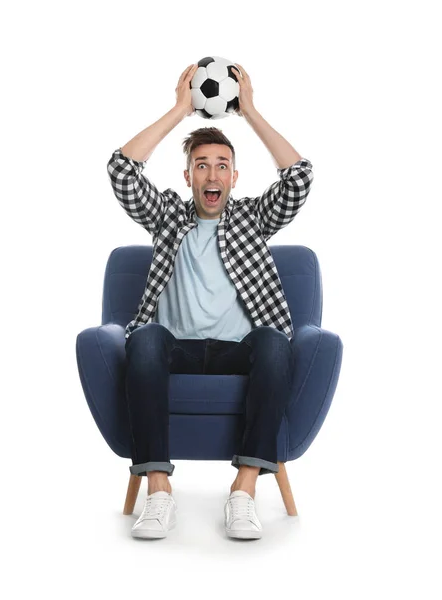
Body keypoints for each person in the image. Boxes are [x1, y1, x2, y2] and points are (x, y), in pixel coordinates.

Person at [106, 63, 314, 540]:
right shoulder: (166, 218)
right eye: (203, 166)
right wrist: (180, 111)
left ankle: (243, 492)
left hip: (237, 352)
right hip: (175, 348)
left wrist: (252, 112)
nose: (212, 174)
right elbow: (121, 169)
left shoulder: (252, 220)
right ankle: (158, 492)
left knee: (274, 343)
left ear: (235, 176)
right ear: (188, 176)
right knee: (143, 340)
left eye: (222, 165)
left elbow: (299, 178)